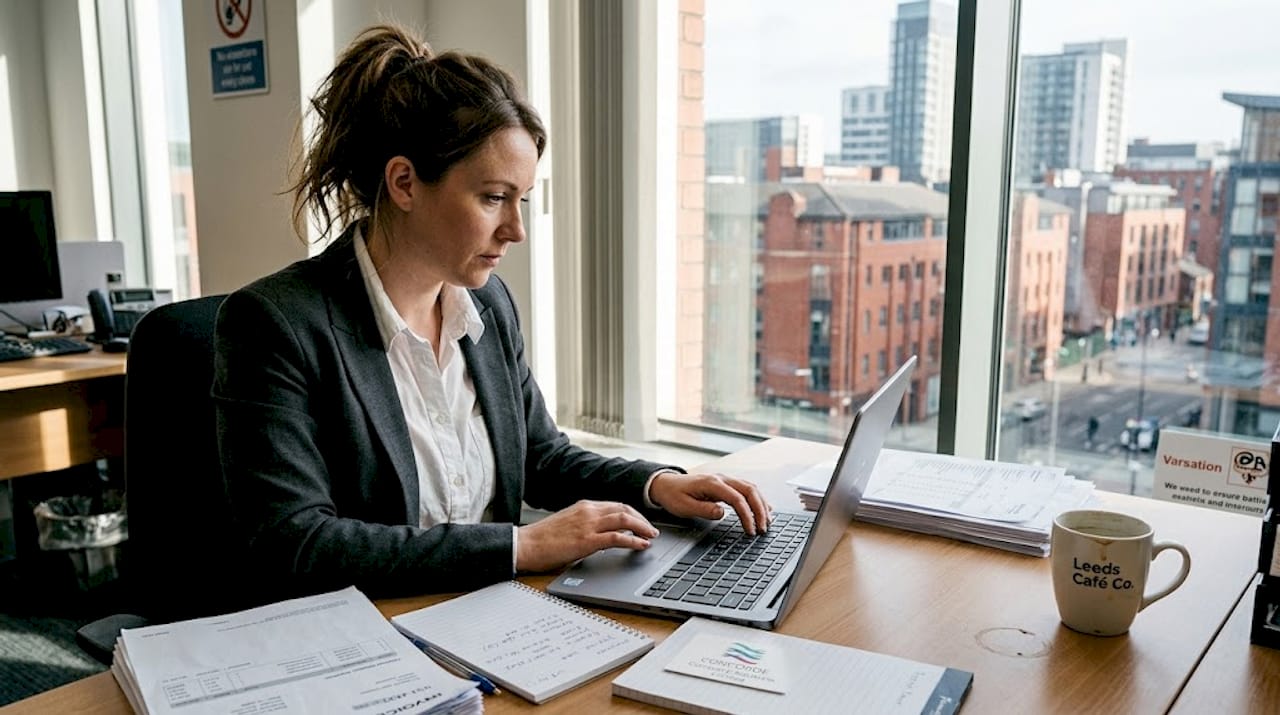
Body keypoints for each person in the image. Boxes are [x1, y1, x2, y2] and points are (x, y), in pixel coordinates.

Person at [212, 25, 770, 601]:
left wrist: (657, 486)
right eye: (494, 197)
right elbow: (296, 543)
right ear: (404, 183)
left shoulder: (487, 304)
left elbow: (541, 457)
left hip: (490, 613)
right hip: (372, 635)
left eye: (521, 199)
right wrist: (519, 547)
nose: (517, 230)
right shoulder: (273, 326)